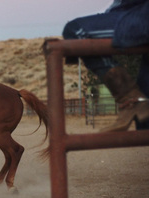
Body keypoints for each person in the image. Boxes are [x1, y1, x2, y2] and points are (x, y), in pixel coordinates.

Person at [62, 0, 149, 132]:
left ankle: (131, 99)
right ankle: (136, 102)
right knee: (145, 119)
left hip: (141, 15)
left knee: (76, 30)